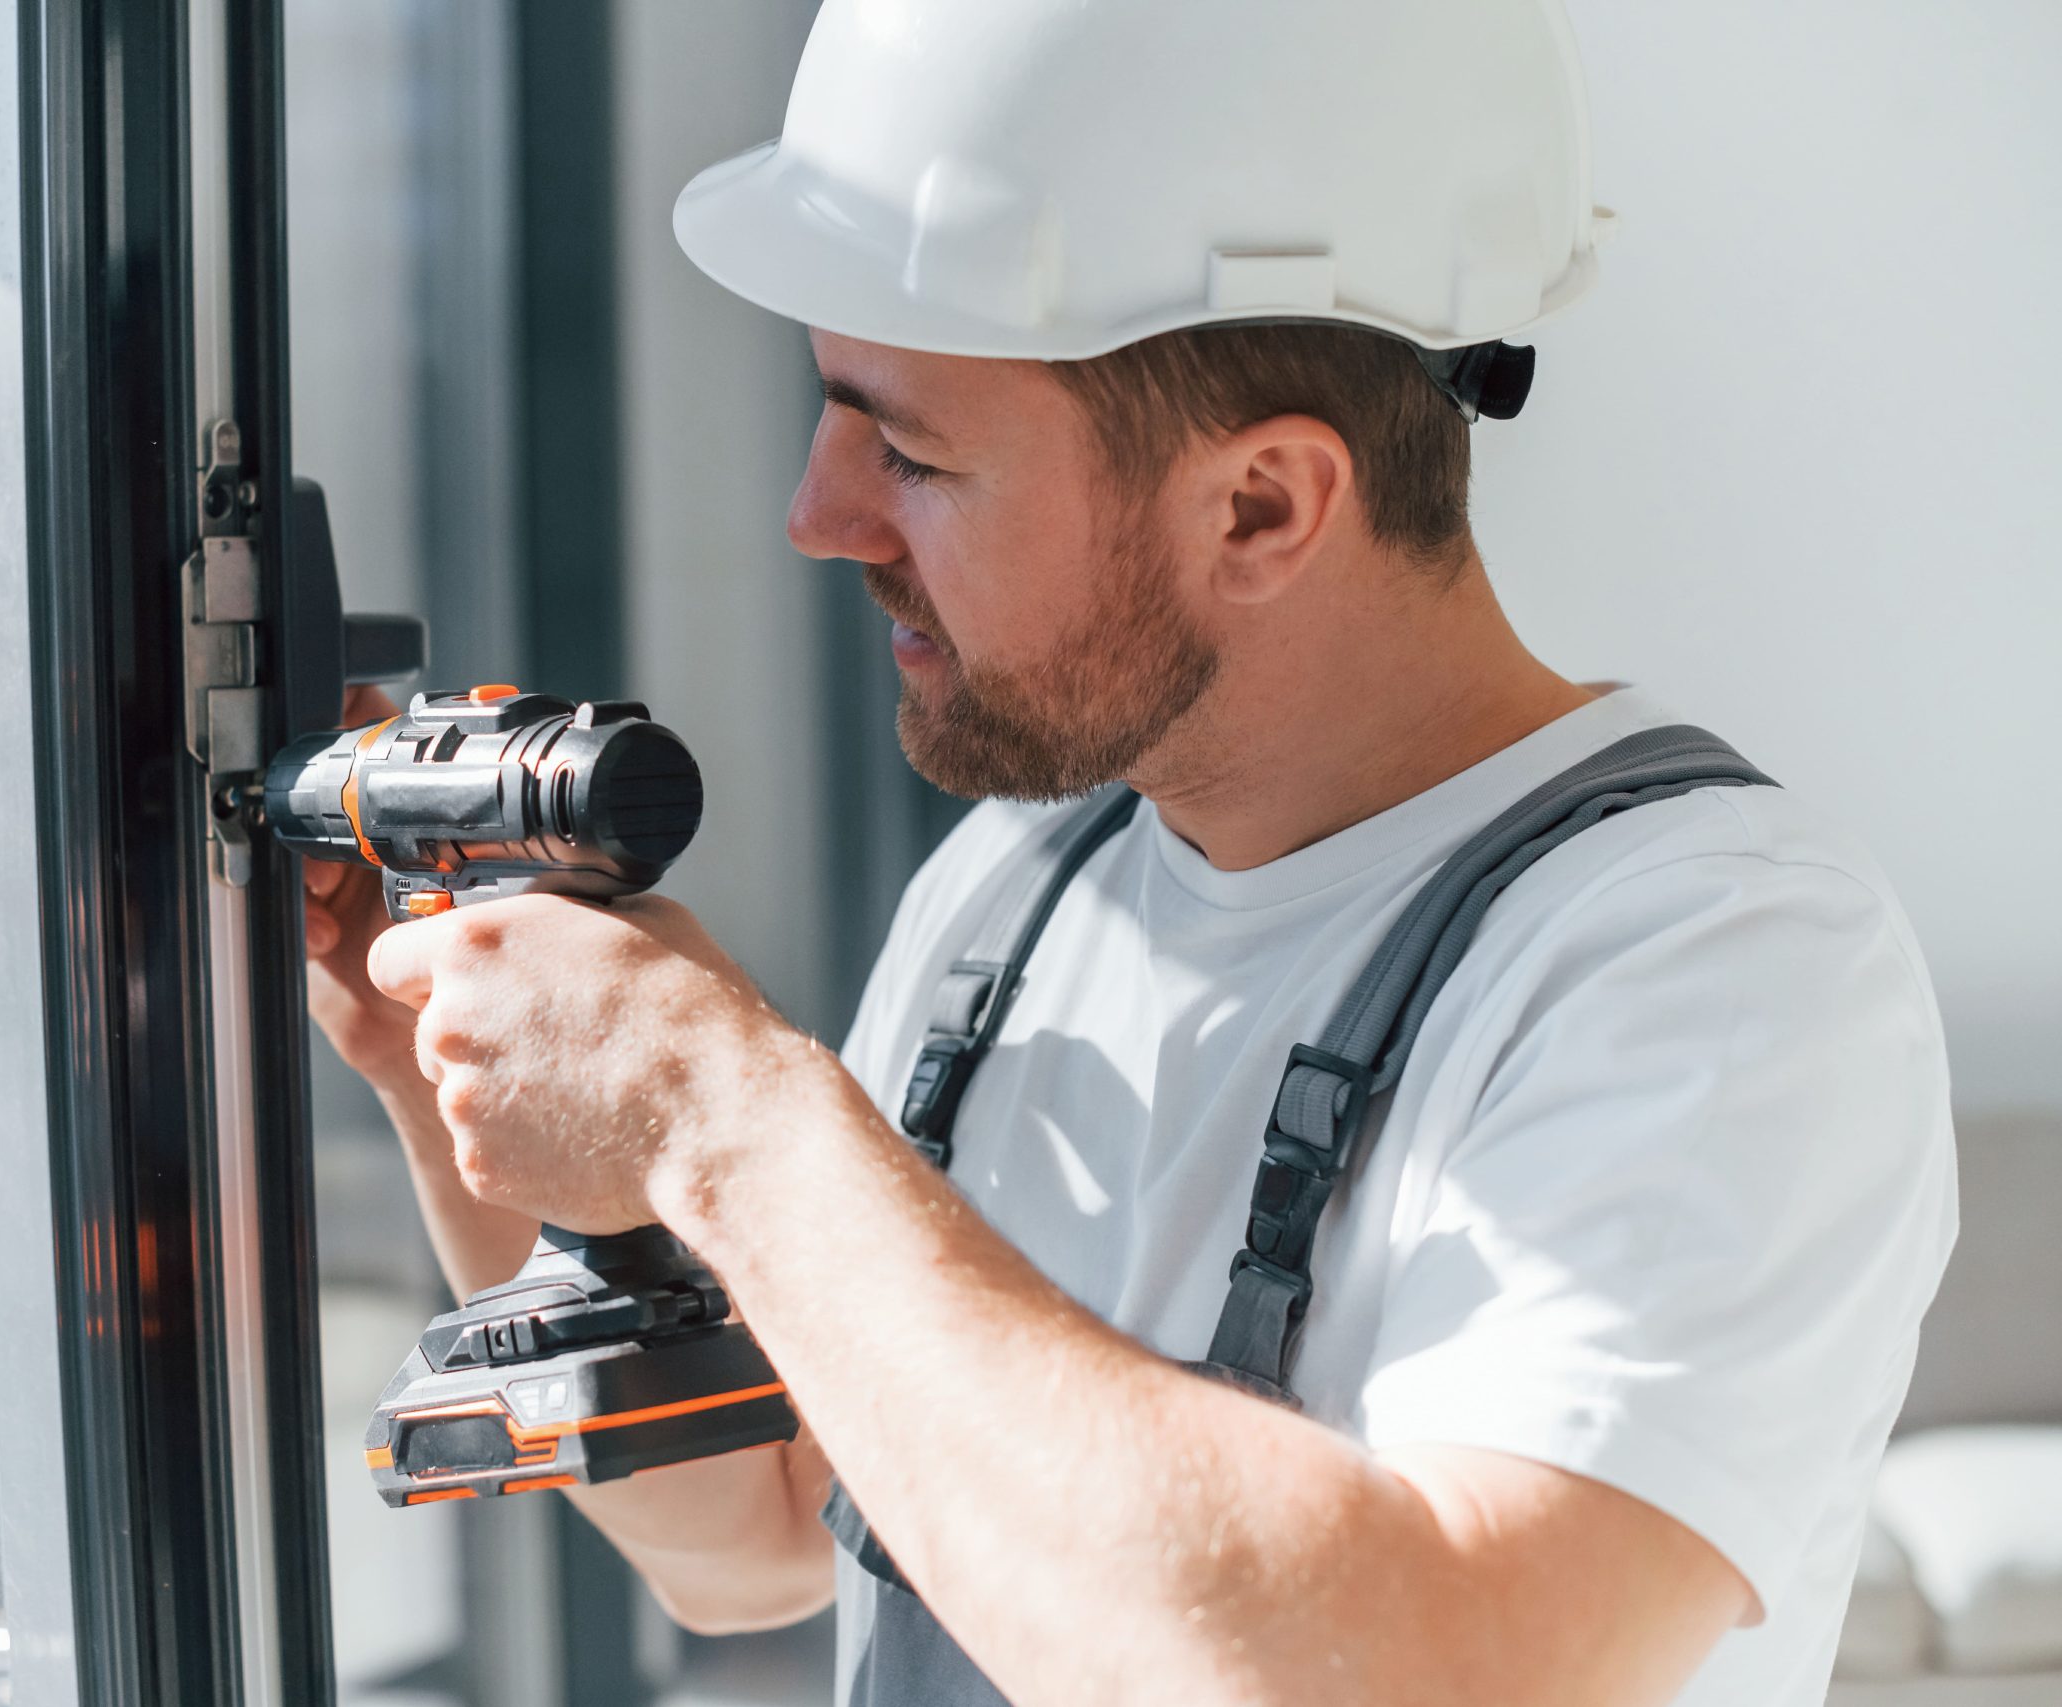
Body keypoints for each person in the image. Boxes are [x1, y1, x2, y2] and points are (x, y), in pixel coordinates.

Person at [304, 3, 1958, 1701]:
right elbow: (763, 1536)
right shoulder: (1019, 892)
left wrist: (726, 1114)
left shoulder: (1715, 972)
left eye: (912, 451)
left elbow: (1438, 1667)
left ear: (1260, 506)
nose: (818, 517)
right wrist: (430, 1038)